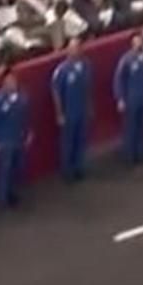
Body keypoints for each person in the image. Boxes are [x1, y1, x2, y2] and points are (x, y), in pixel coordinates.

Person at [0, 73, 31, 208]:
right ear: (3, 84)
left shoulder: (22, 97)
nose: (12, 84)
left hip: (18, 138)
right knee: (4, 170)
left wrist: (27, 133)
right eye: (9, 82)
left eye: (14, 82)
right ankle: (1, 198)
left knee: (15, 168)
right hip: (4, 141)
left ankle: (11, 193)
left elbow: (25, 117)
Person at [50, 41, 93, 181]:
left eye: (78, 48)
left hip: (82, 110)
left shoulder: (86, 65)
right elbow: (56, 93)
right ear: (68, 50)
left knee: (80, 140)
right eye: (73, 48)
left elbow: (88, 88)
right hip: (68, 112)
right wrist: (59, 113)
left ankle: (78, 167)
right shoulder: (62, 70)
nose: (75, 50)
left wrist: (89, 107)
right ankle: (67, 171)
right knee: (67, 142)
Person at [114, 35, 143, 165]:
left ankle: (140, 152)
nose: (139, 44)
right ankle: (129, 155)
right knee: (130, 127)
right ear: (132, 44)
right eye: (137, 42)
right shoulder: (126, 60)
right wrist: (120, 98)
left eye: (141, 42)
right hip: (131, 99)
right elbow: (119, 80)